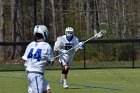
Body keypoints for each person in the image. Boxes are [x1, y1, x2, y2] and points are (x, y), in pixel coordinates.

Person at [22, 25, 54, 93]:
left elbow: (25, 60)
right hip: (36, 74)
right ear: (44, 33)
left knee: (47, 90)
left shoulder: (30, 44)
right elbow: (51, 63)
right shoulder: (46, 45)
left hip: (30, 73)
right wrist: (47, 61)